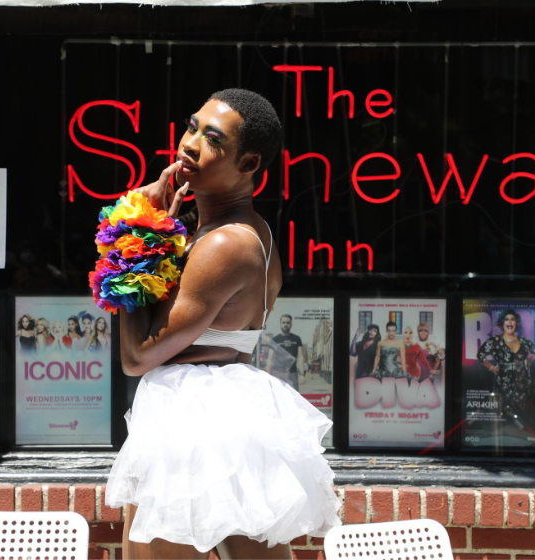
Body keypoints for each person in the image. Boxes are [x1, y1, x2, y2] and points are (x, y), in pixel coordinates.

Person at [105, 89, 339, 560]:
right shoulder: (246, 230)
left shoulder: (224, 246)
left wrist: (132, 237)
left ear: (249, 163)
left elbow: (136, 357)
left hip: (193, 428)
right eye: (192, 126)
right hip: (223, 420)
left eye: (212, 139)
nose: (190, 144)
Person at [477, 309, 535, 425]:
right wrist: (491, 368)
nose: (510, 322)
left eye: (513, 319)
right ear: (502, 323)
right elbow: (481, 355)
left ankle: (521, 433)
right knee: (503, 410)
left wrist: (528, 362)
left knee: (521, 410)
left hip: (522, 380)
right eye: (507, 319)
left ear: (516, 323)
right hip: (503, 381)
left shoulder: (523, 341)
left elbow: (534, 350)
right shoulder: (494, 341)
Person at [272, 314, 306, 390]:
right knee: (278, 397)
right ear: (280, 324)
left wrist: (301, 374)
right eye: (283, 322)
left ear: (291, 324)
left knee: (294, 398)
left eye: (288, 323)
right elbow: (270, 359)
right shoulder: (275, 340)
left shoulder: (297, 339)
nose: (285, 325)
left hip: (292, 374)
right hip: (278, 374)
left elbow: (300, 357)